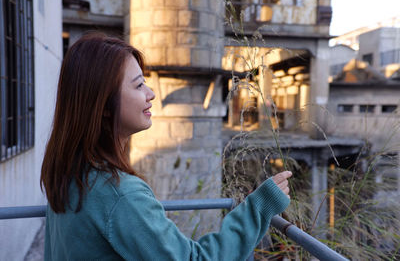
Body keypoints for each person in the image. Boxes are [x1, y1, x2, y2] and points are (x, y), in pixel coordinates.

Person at [40, 33, 292, 260]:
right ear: (104, 106)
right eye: (138, 85)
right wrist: (258, 206)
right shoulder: (119, 195)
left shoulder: (70, 173)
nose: (151, 93)